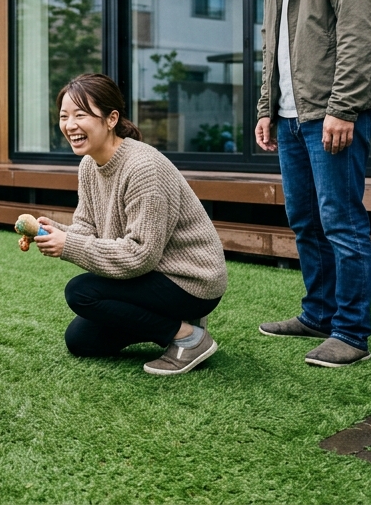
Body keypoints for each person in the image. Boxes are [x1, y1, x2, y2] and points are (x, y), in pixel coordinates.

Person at [251, 0, 371, 368]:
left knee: (341, 221)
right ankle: (318, 312)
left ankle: (350, 332)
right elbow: (273, 42)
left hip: (332, 113)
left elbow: (358, 33)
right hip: (289, 115)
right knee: (305, 219)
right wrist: (267, 106)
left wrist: (344, 107)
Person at [33, 73, 228, 376]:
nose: (70, 125)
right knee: (81, 340)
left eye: (80, 115)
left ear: (111, 118)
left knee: (81, 291)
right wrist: (58, 232)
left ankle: (189, 338)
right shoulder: (89, 165)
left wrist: (68, 245)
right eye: (64, 116)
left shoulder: (143, 167)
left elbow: (140, 254)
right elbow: (86, 229)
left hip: (191, 280)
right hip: (154, 274)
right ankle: (180, 325)